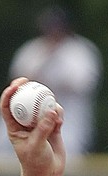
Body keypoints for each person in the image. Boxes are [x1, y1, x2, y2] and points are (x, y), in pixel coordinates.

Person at [9, 5, 102, 157]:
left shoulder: (81, 51)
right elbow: (16, 80)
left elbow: (86, 84)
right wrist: (46, 59)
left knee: (68, 150)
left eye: (57, 26)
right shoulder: (32, 50)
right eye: (50, 26)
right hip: (29, 115)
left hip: (70, 119)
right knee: (0, 135)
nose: (53, 31)